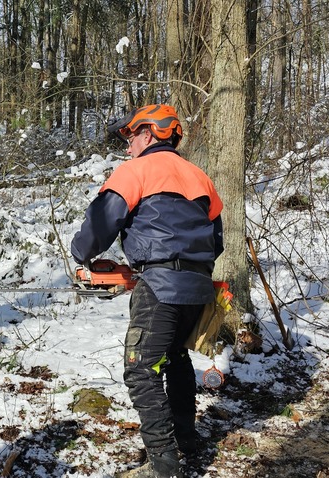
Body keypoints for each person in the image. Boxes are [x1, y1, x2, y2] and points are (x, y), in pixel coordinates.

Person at [70, 104, 224, 478]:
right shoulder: (199, 177)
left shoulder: (135, 171)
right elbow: (216, 240)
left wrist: (81, 254)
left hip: (161, 287)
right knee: (176, 357)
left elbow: (100, 224)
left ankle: (163, 465)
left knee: (140, 370)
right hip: (198, 286)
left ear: (149, 134)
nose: (128, 147)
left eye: (131, 137)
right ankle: (186, 439)